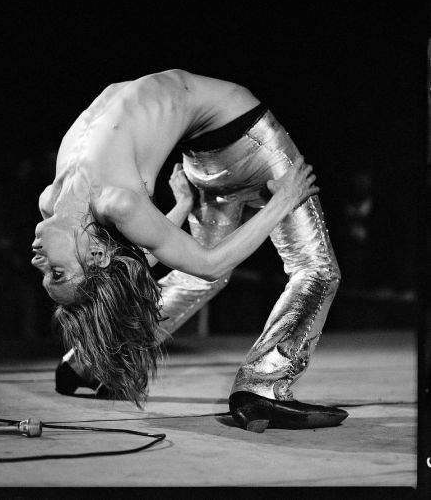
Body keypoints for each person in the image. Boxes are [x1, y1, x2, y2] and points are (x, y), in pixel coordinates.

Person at [32, 69, 347, 431]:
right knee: (317, 269)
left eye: (47, 273)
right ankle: (263, 386)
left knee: (192, 274)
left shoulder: (53, 203)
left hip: (203, 156)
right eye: (55, 272)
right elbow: (209, 265)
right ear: (93, 257)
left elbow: (127, 266)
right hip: (250, 140)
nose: (37, 261)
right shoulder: (114, 204)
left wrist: (181, 207)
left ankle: (91, 360)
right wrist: (284, 200)